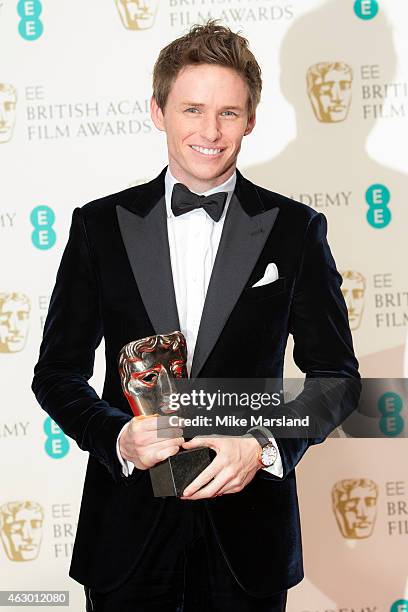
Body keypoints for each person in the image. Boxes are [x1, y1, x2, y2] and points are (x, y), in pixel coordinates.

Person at [32, 21, 360, 612]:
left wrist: (262, 443)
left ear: (251, 120)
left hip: (249, 539)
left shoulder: (297, 230)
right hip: (126, 537)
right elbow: (56, 372)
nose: (210, 131)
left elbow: (337, 377)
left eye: (229, 113)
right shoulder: (98, 227)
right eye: (192, 108)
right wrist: (116, 437)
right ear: (158, 111)